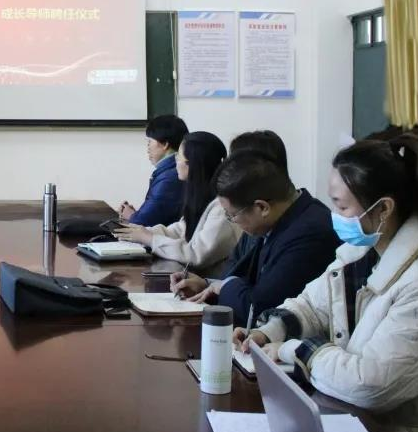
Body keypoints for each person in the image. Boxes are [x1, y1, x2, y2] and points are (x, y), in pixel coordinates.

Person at [236, 135, 418, 432]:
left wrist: (293, 349)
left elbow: (371, 385)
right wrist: (268, 332)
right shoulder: (359, 251)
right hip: (357, 424)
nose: (333, 215)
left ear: (384, 208)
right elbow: (312, 305)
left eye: (342, 206)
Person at [171, 149, 339, 326]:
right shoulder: (281, 218)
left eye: (232, 215)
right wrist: (207, 285)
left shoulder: (310, 235)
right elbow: (246, 282)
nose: (232, 221)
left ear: (262, 207)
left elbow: (256, 311)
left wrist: (224, 287)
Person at [115, 131, 240, 274]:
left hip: (208, 284)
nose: (175, 162)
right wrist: (140, 232)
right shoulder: (201, 197)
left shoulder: (222, 208)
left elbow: (197, 255)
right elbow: (180, 230)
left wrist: (150, 239)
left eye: (178, 157)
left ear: (193, 164)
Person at [119, 114, 188, 227]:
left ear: (165, 144)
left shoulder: (169, 177)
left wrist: (132, 216)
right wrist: (136, 214)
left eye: (150, 142)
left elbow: (143, 222)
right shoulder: (170, 171)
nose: (148, 148)